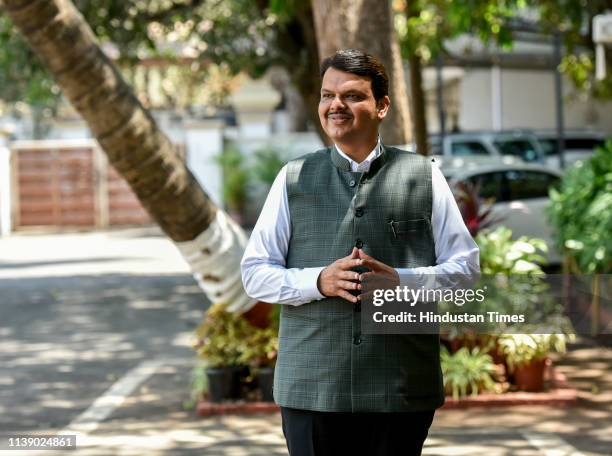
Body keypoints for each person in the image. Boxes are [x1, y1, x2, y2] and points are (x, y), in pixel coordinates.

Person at [241, 49, 479, 456]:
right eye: (327, 95)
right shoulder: (293, 177)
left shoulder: (424, 175)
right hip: (312, 388)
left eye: (352, 96)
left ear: (382, 105)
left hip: (400, 385)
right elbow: (254, 272)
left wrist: (403, 280)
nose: (336, 105)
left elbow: (467, 268)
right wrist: (318, 281)